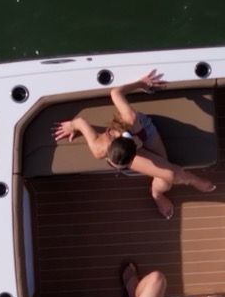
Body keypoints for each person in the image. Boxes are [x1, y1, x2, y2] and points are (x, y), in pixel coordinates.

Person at [53, 69, 214, 219]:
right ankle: (162, 192)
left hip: (145, 132)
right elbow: (80, 122)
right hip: (127, 146)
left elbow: (116, 92)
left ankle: (176, 186)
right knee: (167, 177)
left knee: (169, 175)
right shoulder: (99, 149)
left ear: (135, 149)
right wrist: (72, 125)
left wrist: (141, 84)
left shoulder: (131, 119)